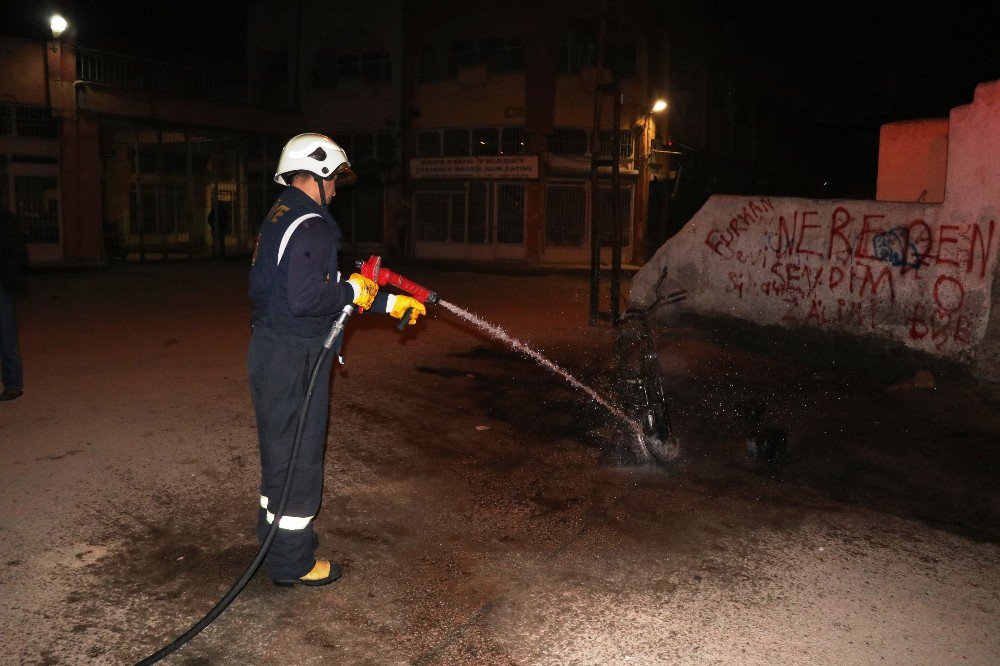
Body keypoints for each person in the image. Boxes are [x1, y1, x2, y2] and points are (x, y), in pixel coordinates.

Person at [248, 133, 426, 587]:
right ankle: (294, 564)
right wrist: (351, 289)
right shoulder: (313, 224)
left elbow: (306, 290)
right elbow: (311, 297)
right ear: (320, 172)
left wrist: (385, 303)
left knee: (280, 455)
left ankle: (277, 540)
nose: (338, 189)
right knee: (300, 461)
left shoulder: (282, 212)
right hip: (296, 357)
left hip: (273, 350)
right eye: (336, 179)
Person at [0, 207, 27, 402]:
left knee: (6, 336)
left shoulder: (5, 220)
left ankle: (12, 384)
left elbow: (16, 253)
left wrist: (10, 282)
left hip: (1, 285)